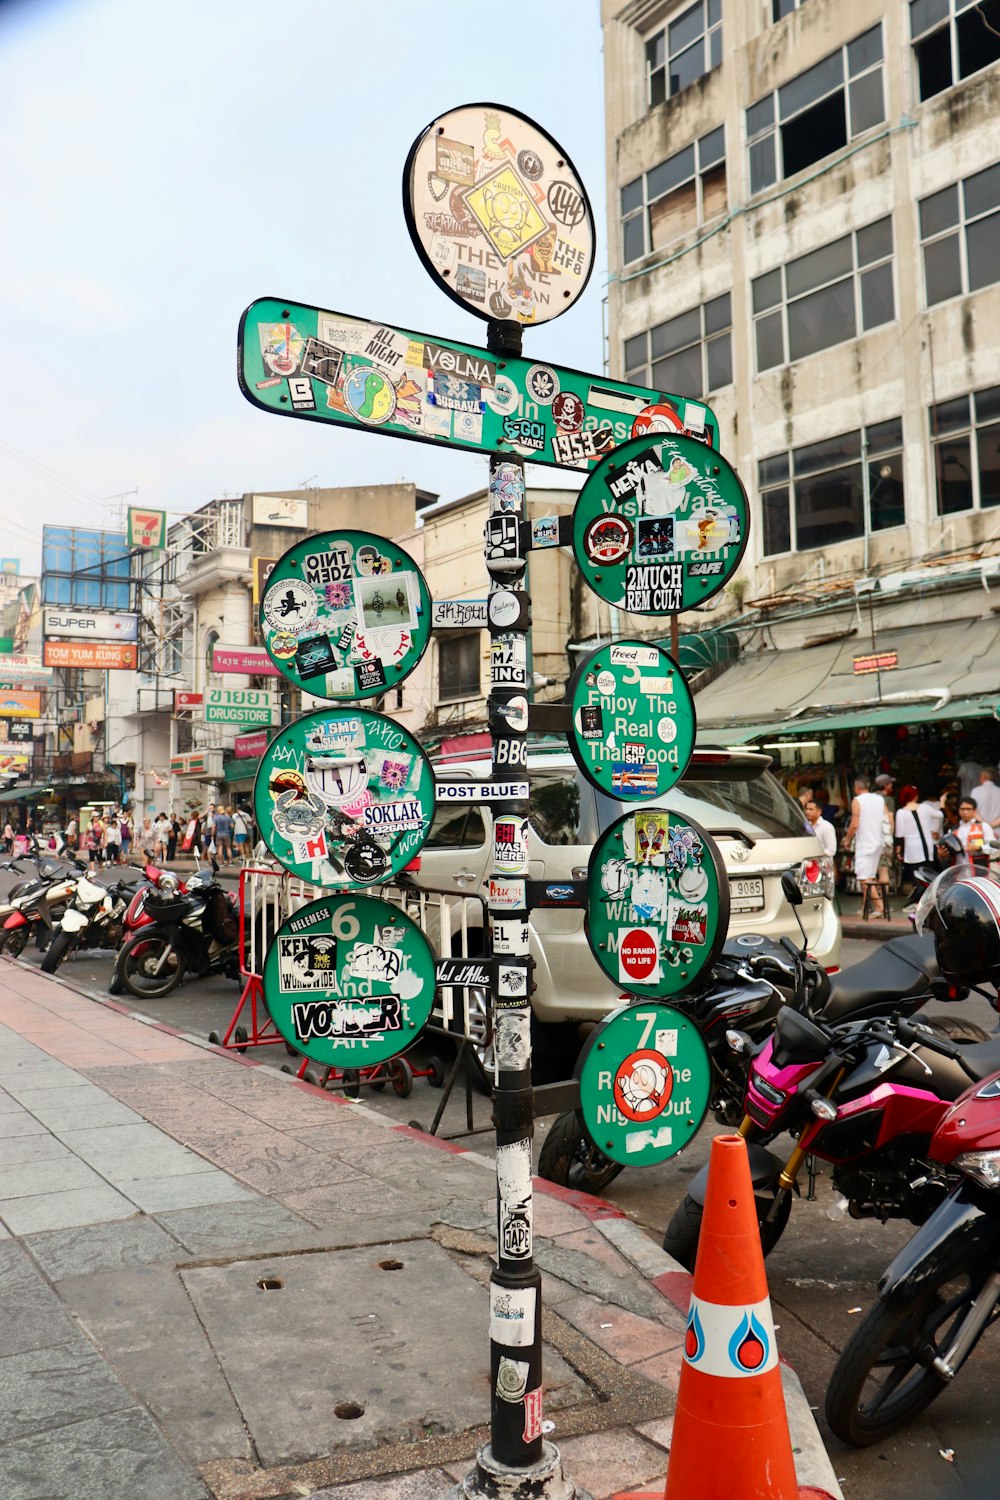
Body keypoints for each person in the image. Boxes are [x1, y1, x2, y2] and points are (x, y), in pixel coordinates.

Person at [844, 774, 891, 918]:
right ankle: (865, 907)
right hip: (878, 842)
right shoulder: (879, 799)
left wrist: (847, 839)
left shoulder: (857, 800)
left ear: (857, 788)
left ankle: (879, 907)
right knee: (869, 876)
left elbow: (855, 823)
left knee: (864, 877)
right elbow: (887, 818)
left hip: (865, 843)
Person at [894, 785, 943, 893]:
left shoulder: (901, 813)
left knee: (916, 875)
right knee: (928, 875)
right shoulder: (925, 807)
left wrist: (898, 852)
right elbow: (939, 815)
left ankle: (918, 899)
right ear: (915, 796)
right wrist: (942, 803)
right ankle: (928, 897)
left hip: (912, 848)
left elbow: (899, 834)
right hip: (927, 846)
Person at [954, 797, 995, 872]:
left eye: (968, 809)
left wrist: (979, 847)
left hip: (978, 873)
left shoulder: (983, 826)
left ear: (975, 810)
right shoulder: (953, 830)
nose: (965, 812)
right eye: (962, 809)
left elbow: (994, 848)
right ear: (958, 810)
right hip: (958, 873)